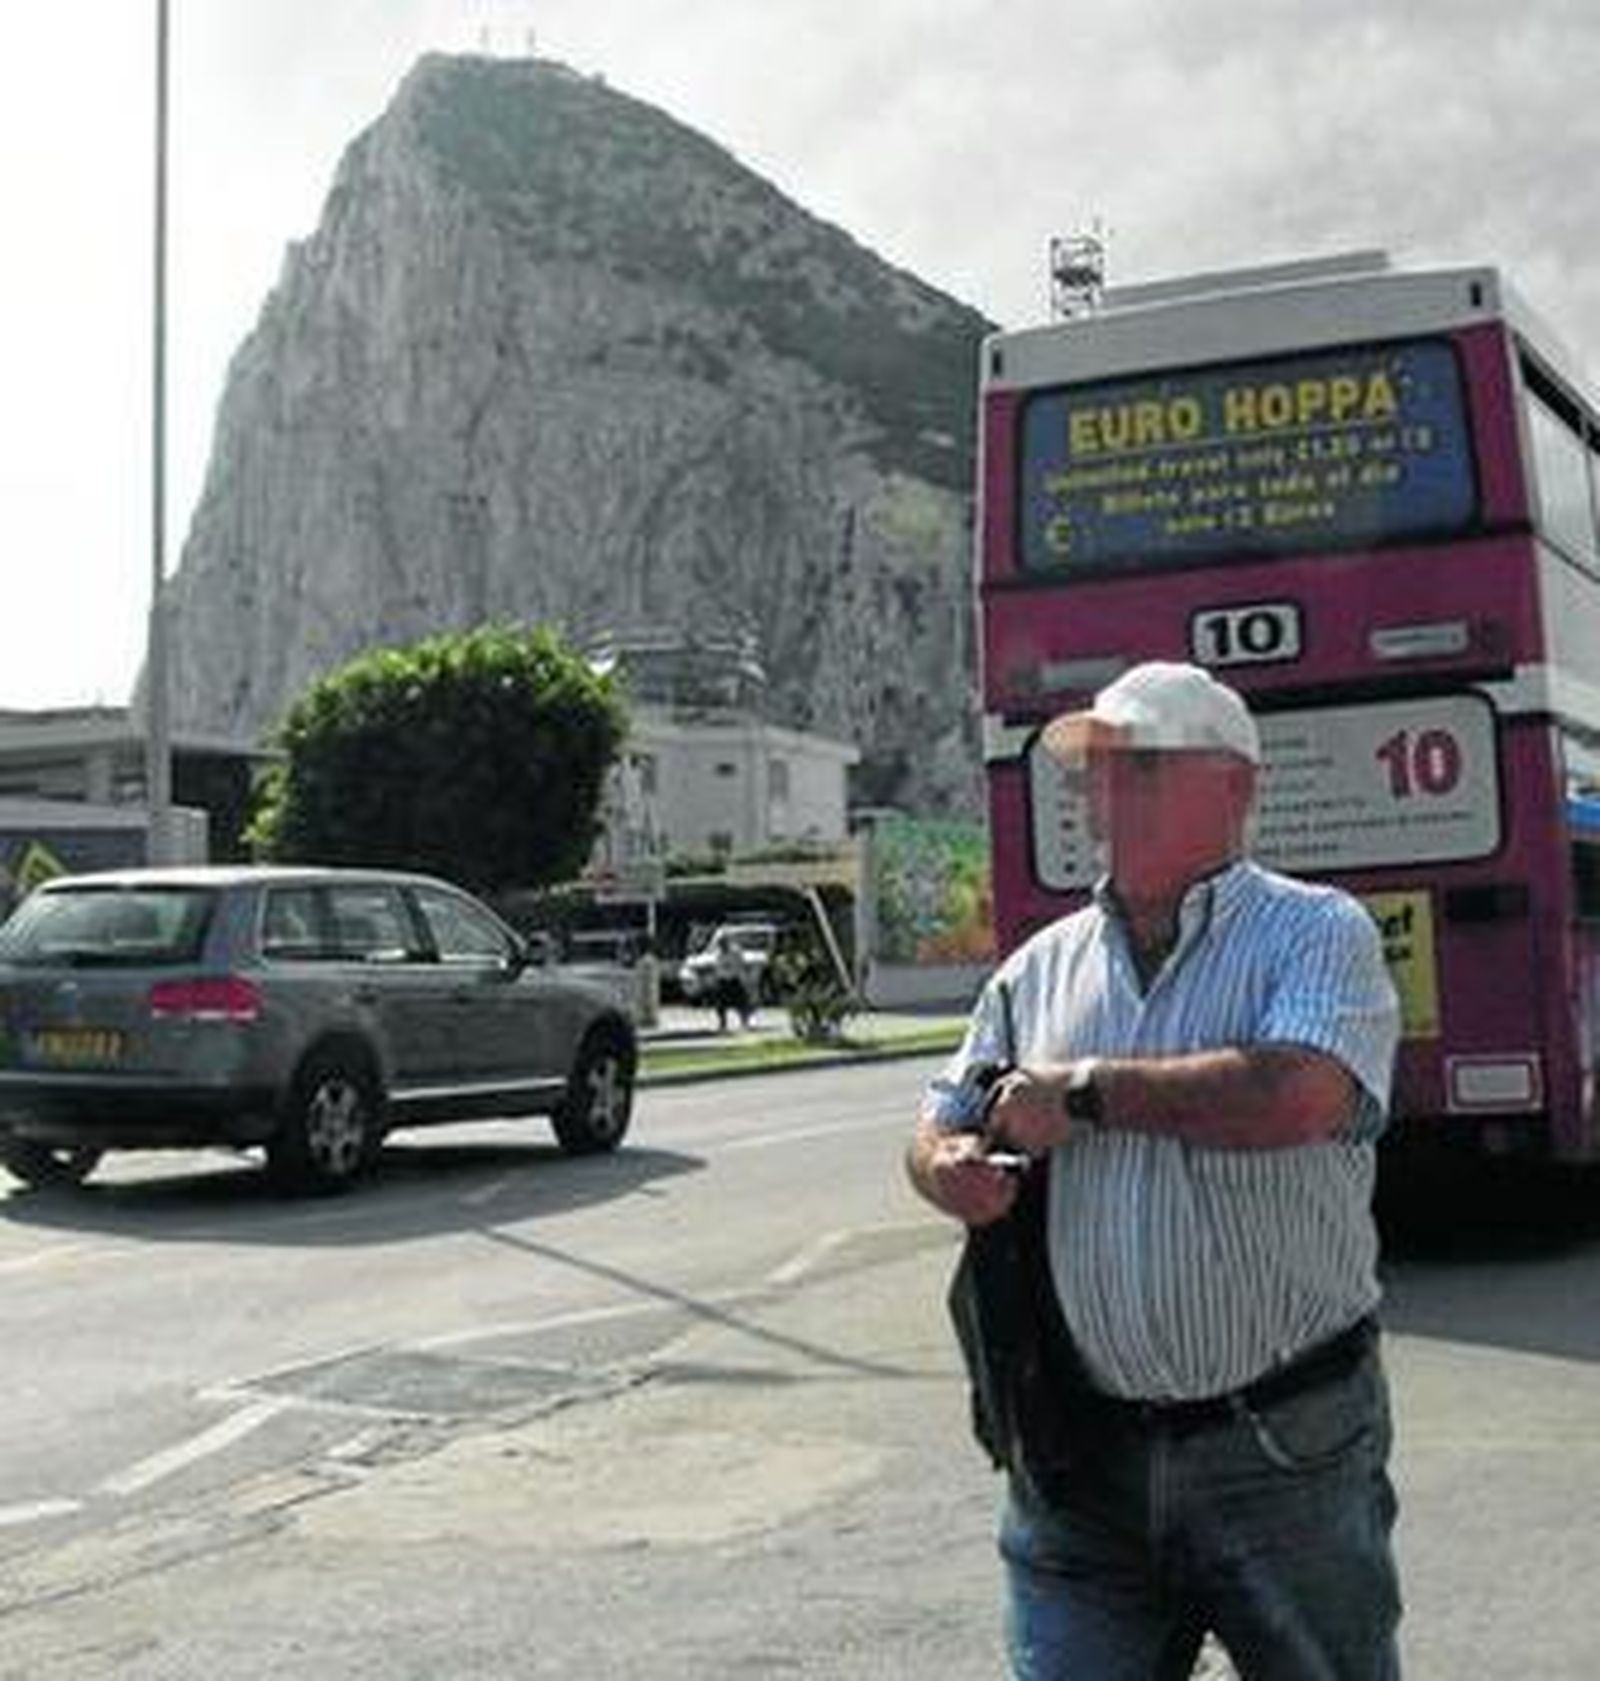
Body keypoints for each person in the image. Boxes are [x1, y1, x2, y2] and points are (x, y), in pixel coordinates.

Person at [907, 661, 1403, 1680]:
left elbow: (1294, 1096)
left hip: (1282, 1446)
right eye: (1095, 773)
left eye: (1136, 768)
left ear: (1233, 787)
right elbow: (936, 1120)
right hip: (1079, 1455)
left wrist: (1083, 1093)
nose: (1102, 795)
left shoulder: (1316, 932)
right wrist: (947, 1164)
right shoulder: (1039, 965)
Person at [707, 928, 755, 1032]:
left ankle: (744, 1022)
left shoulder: (735, 951)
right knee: (719, 1004)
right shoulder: (717, 953)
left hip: (734, 979)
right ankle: (722, 1024)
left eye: (723, 941)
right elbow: (716, 967)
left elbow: (741, 964)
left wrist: (743, 977)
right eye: (719, 942)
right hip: (722, 981)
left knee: (741, 1002)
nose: (721, 944)